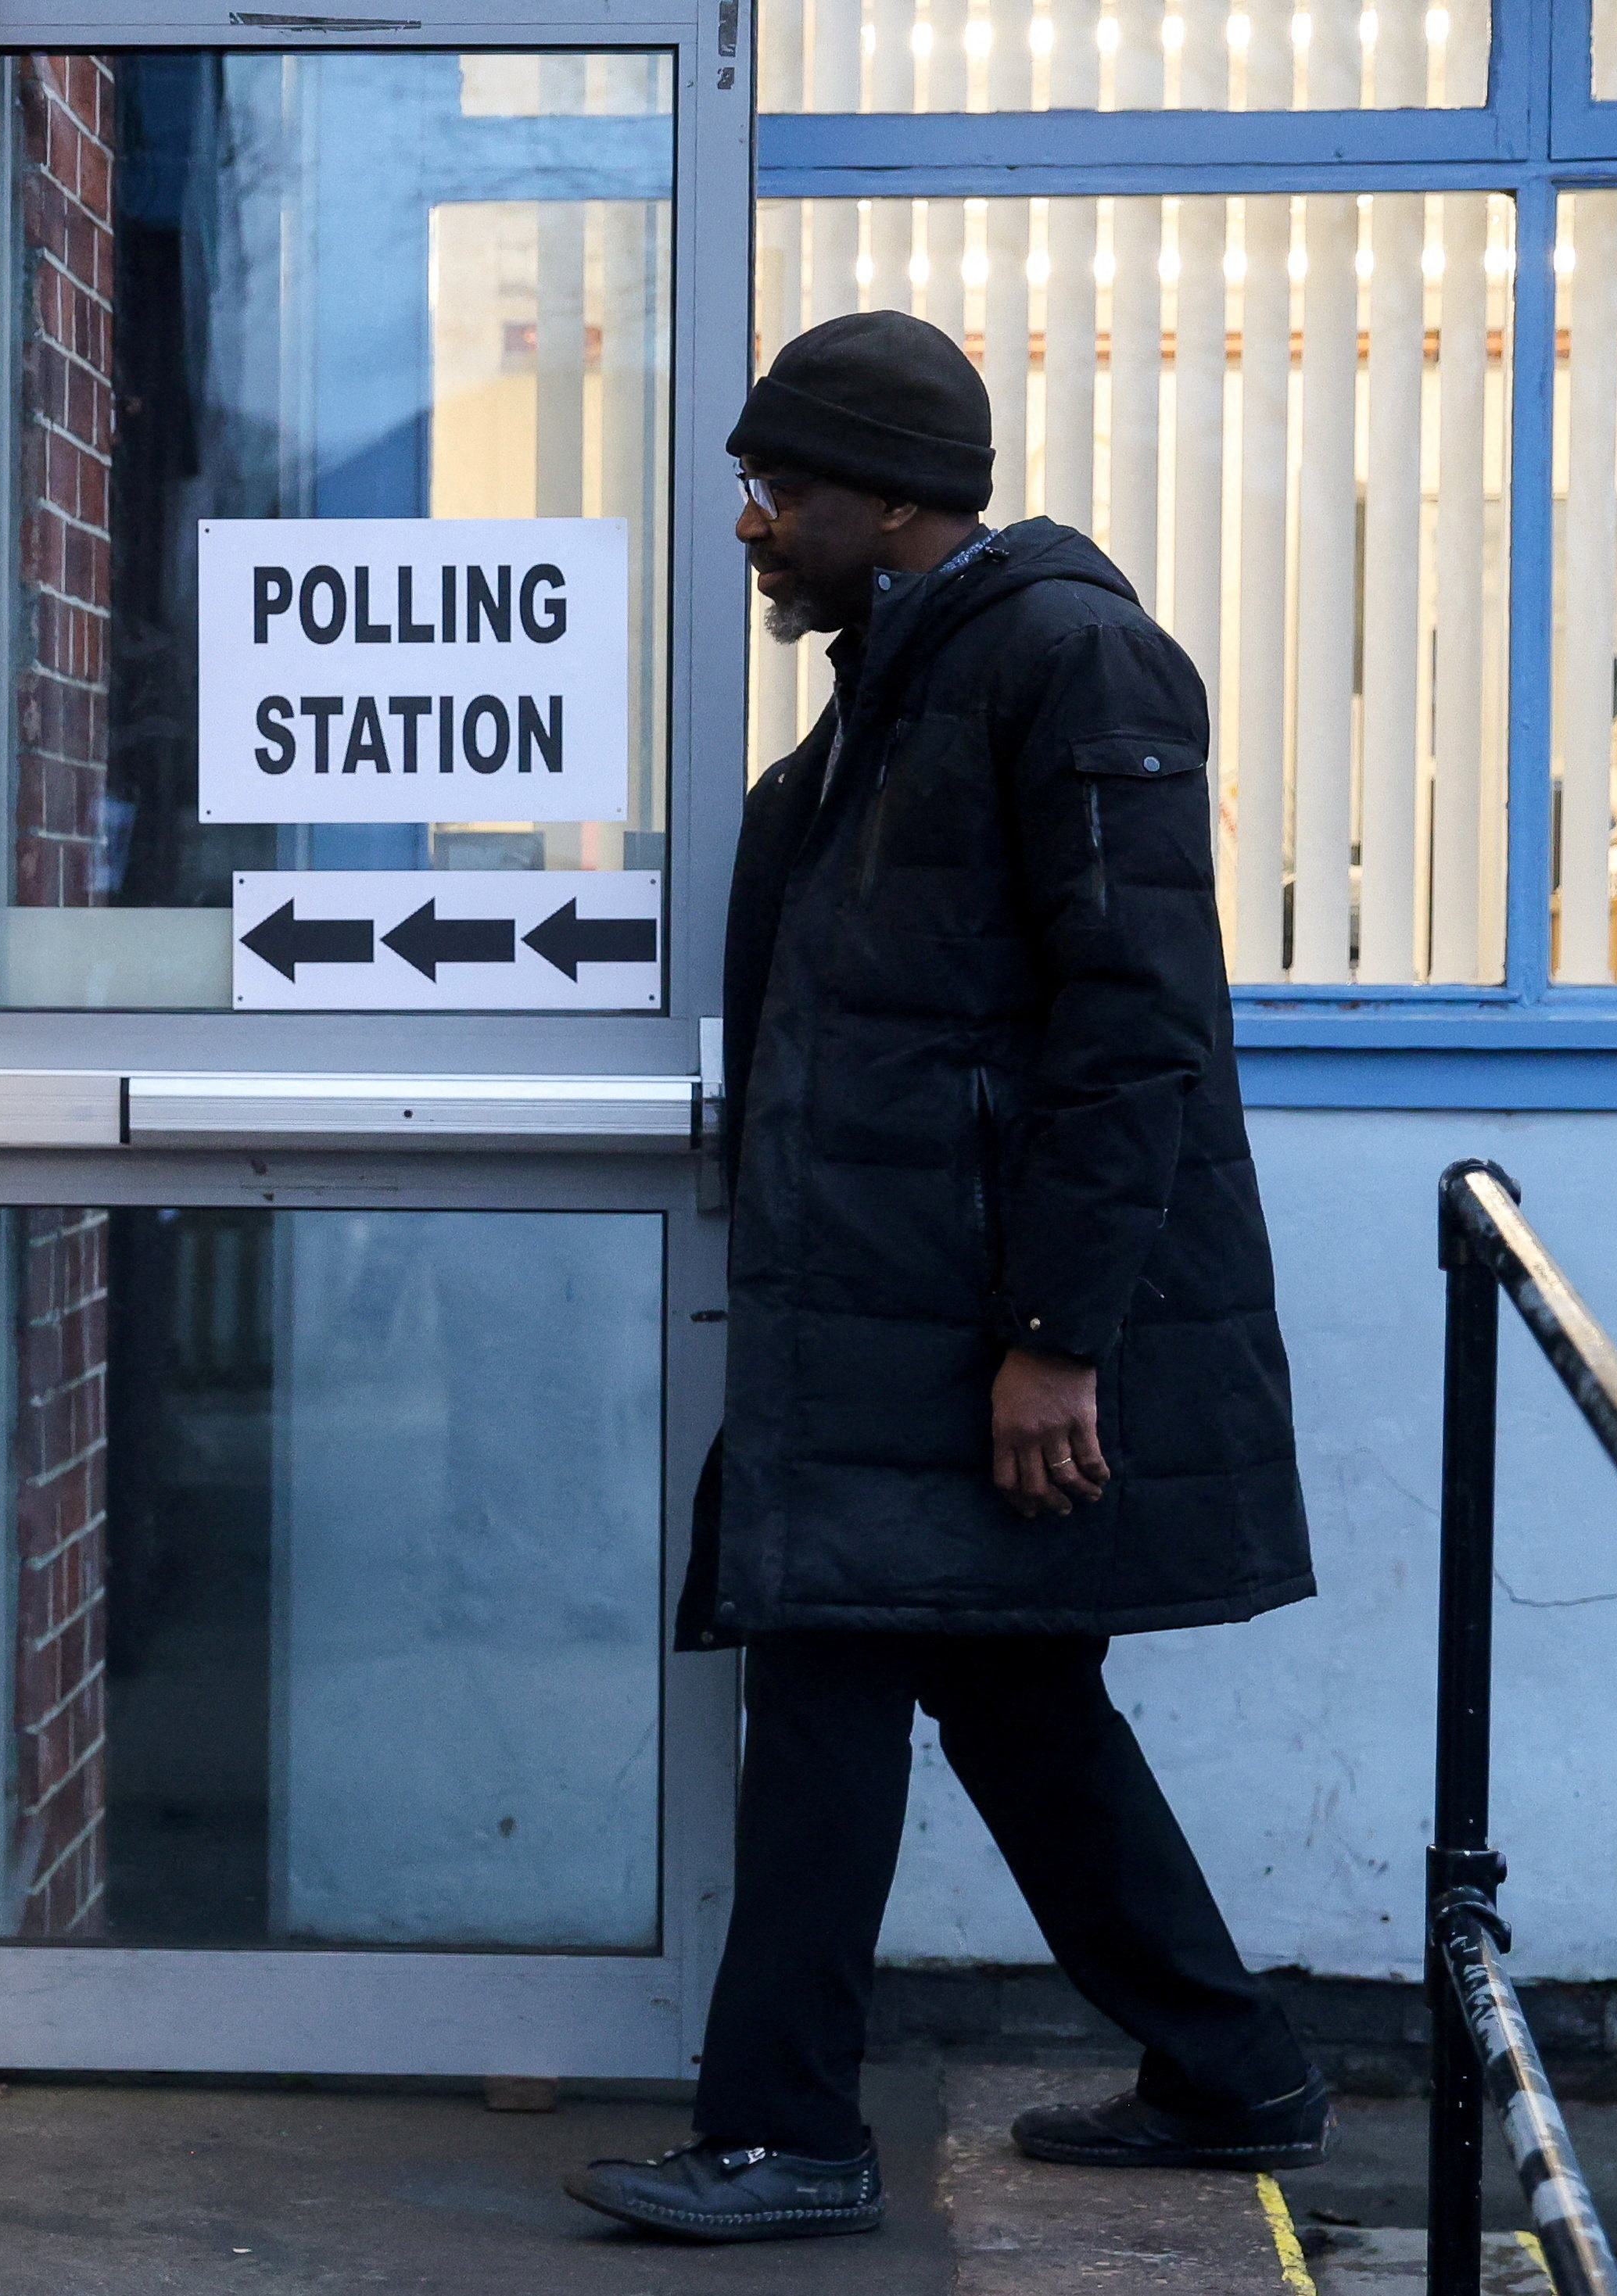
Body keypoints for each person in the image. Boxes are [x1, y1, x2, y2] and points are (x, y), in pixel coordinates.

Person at [565, 311, 1330, 2245]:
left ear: (896, 498)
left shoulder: (1065, 661)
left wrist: (1056, 1341)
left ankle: (787, 2132)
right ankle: (1230, 2065)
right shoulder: (901, 685)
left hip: (969, 1327)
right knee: (1010, 1701)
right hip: (893, 1315)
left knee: (832, 1687)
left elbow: (1135, 1025)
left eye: (783, 490)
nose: (751, 524)